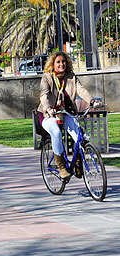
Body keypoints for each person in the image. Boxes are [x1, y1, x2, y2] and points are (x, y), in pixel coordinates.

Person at [37, 51, 100, 179]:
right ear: (52, 64)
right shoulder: (47, 77)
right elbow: (44, 95)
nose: (61, 64)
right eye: (58, 62)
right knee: (56, 133)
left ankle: (77, 165)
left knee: (79, 137)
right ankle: (61, 168)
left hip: (65, 113)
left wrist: (92, 101)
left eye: (63, 61)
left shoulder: (71, 77)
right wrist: (48, 108)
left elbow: (81, 89)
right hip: (48, 114)